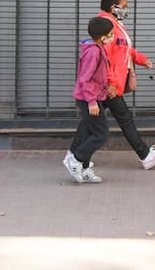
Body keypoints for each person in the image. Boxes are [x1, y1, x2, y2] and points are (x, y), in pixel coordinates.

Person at [98, 0, 155, 170]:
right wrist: (112, 83)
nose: (126, 9)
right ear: (113, 7)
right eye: (124, 6)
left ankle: (74, 155)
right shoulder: (106, 26)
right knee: (119, 120)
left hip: (112, 84)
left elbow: (124, 49)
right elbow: (104, 58)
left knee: (93, 123)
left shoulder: (115, 25)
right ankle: (145, 156)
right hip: (109, 84)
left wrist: (141, 59)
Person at [63, 16, 114, 184]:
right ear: (103, 37)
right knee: (101, 134)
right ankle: (76, 159)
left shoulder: (97, 48)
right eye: (111, 34)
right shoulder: (94, 51)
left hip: (91, 97)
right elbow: (86, 78)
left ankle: (84, 168)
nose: (113, 37)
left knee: (89, 132)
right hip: (88, 99)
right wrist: (92, 101)